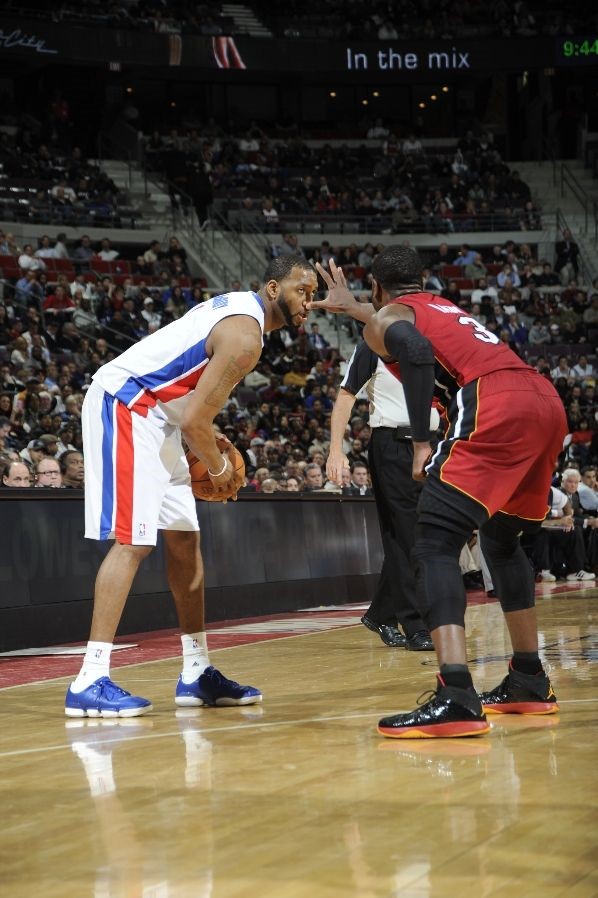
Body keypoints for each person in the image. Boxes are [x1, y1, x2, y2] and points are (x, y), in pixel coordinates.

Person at [309, 246, 567, 738]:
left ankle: (455, 694)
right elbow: (405, 327)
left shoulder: (392, 317)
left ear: (378, 287)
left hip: (493, 402)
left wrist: (422, 442)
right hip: (543, 399)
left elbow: (415, 349)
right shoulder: (440, 307)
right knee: (499, 540)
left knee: (433, 542)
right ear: (422, 280)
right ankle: (529, 681)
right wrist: (357, 308)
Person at [65, 254, 318, 718]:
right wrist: (220, 470)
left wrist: (205, 438)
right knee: (134, 543)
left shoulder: (239, 311)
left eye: (315, 294)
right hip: (127, 406)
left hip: (162, 415)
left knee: (184, 541)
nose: (310, 301)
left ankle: (196, 671)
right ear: (273, 289)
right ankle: (90, 678)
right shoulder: (246, 336)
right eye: (304, 290)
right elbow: (198, 419)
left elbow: (191, 406)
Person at [327, 340, 436, 650]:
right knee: (406, 534)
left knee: (423, 532)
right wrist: (336, 450)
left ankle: (382, 613)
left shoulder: (432, 344)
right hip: (393, 444)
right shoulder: (373, 345)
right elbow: (346, 394)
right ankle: (415, 624)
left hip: (432, 445)